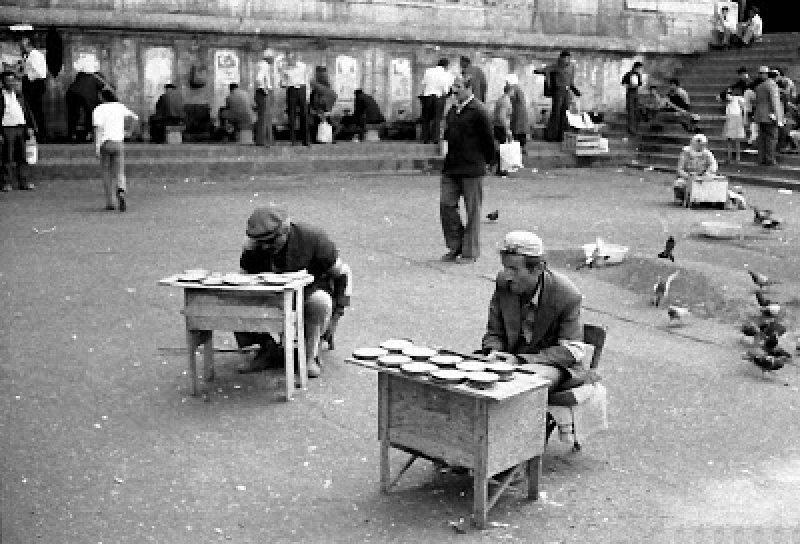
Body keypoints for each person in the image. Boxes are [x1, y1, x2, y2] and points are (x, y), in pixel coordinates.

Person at [234, 206, 352, 378]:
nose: (266, 246)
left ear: (286, 231)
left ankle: (309, 356)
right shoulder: (253, 244)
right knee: (234, 298)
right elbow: (243, 278)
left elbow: (343, 274)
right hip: (270, 295)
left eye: (272, 241)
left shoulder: (313, 238)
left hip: (308, 294)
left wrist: (337, 314)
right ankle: (268, 349)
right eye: (262, 243)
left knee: (320, 302)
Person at [481, 230, 589, 393]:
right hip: (510, 360)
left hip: (548, 365)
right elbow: (494, 332)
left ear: (539, 268)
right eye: (505, 267)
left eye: (514, 269)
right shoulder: (503, 282)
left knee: (526, 383)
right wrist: (494, 352)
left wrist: (520, 360)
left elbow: (572, 350)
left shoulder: (567, 294)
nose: (508, 276)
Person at [439, 74, 494, 263]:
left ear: (470, 88)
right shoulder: (453, 110)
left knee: (473, 211)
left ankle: (470, 252)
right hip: (451, 167)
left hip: (472, 168)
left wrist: (489, 162)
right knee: (446, 205)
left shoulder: (479, 110)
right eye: (454, 86)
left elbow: (489, 139)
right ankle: (456, 246)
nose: (454, 90)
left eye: (459, 87)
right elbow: (447, 135)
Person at [92, 88, 138, 211]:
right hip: (119, 143)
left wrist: (97, 147)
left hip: (105, 144)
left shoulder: (99, 109)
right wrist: (129, 132)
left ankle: (110, 202)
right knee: (119, 171)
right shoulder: (120, 107)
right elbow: (135, 118)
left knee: (106, 172)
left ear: (102, 97)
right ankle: (121, 190)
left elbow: (98, 130)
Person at [0, 71, 37, 192]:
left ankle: (24, 181)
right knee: (7, 157)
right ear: (3, 82)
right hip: (7, 128)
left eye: (13, 80)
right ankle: (6, 183)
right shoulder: (1, 96)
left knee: (22, 157)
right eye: (8, 81)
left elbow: (27, 112)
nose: (11, 83)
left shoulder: (20, 95)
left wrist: (31, 127)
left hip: (21, 128)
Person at [535, 50, 581, 142]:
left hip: (567, 92)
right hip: (558, 92)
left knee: (564, 114)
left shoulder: (572, 67)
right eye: (564, 58)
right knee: (556, 113)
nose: (566, 60)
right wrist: (541, 72)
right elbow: (542, 70)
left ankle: (561, 136)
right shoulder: (556, 66)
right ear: (561, 58)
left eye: (567, 58)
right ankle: (551, 136)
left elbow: (571, 81)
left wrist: (575, 90)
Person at [673, 134, 718, 203]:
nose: (700, 146)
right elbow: (680, 169)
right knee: (679, 183)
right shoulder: (685, 153)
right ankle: (681, 198)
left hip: (702, 177)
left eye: (702, 145)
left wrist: (707, 173)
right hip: (687, 177)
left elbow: (713, 165)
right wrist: (688, 176)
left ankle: (705, 199)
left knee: (714, 183)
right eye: (698, 144)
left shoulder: (707, 154)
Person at [753, 66, 784, 166]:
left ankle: (761, 159)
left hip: (760, 116)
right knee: (771, 138)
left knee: (762, 138)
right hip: (770, 116)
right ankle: (770, 159)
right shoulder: (772, 85)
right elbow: (775, 102)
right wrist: (779, 118)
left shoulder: (759, 87)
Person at [419, 58, 454, 144]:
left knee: (426, 118)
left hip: (427, 97)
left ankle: (425, 138)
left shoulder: (428, 71)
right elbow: (448, 89)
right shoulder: (448, 74)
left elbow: (424, 84)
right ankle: (435, 139)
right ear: (446, 66)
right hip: (439, 97)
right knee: (437, 118)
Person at [19, 37, 47, 142]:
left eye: (22, 45)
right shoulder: (30, 55)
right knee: (32, 110)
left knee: (36, 110)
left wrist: (26, 76)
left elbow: (39, 72)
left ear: (28, 45)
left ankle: (41, 134)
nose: (21, 47)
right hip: (32, 84)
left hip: (35, 85)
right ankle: (36, 132)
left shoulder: (35, 55)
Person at [65, 70, 104, 143]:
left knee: (73, 115)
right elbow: (104, 88)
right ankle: (88, 134)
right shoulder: (97, 76)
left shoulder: (81, 74)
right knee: (90, 114)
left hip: (71, 93)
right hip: (84, 95)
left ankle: (72, 135)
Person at [281, 53, 309, 146]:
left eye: (290, 59)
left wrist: (307, 94)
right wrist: (284, 83)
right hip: (291, 89)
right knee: (291, 115)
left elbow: (306, 79)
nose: (289, 61)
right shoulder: (285, 68)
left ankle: (305, 140)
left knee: (304, 114)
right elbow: (283, 82)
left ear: (295, 59)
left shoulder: (303, 66)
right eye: (287, 59)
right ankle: (293, 140)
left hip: (302, 89)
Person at [309, 66, 337, 144]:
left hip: (321, 102)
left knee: (319, 120)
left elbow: (313, 85)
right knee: (326, 121)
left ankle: (319, 138)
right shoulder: (327, 81)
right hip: (325, 102)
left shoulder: (318, 81)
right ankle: (328, 138)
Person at [254, 51, 275, 147]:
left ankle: (262, 140)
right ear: (268, 58)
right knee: (265, 117)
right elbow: (259, 79)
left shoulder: (260, 64)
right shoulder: (264, 65)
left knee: (262, 117)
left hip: (259, 92)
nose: (273, 59)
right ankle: (264, 141)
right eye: (272, 57)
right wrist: (265, 90)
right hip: (263, 93)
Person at [492, 84, 512, 176]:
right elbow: (502, 116)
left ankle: (497, 167)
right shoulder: (505, 101)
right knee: (503, 148)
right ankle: (501, 169)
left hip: (497, 126)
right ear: (510, 91)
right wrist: (507, 129)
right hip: (501, 126)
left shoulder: (501, 99)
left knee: (498, 147)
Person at [722, 88, 746, 163]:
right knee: (729, 139)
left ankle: (737, 157)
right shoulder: (728, 103)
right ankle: (729, 157)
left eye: (730, 93)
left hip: (737, 119)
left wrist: (744, 119)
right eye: (727, 94)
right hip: (729, 119)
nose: (728, 95)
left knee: (737, 139)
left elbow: (744, 109)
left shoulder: (738, 99)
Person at [506, 74, 528, 151]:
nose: (506, 83)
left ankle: (518, 147)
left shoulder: (514, 88)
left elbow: (509, 98)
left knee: (517, 130)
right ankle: (522, 147)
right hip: (520, 111)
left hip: (517, 112)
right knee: (521, 130)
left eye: (507, 82)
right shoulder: (518, 88)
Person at [621, 61, 644, 135]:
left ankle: (635, 128)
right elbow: (623, 83)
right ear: (635, 67)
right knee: (631, 111)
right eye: (639, 68)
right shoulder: (628, 74)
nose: (640, 70)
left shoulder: (638, 75)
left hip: (636, 93)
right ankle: (631, 129)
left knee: (636, 111)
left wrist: (636, 86)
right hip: (630, 93)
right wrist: (630, 86)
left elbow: (640, 84)